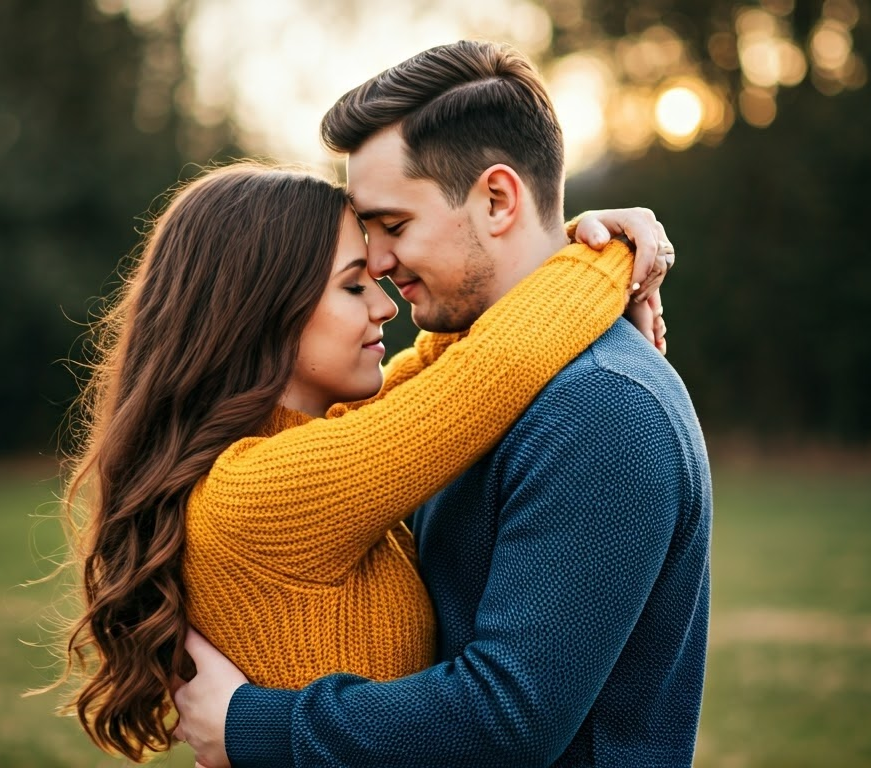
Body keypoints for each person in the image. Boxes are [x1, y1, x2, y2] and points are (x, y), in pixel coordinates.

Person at [173, 41, 712, 768]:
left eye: (394, 226)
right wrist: (598, 258)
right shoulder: (464, 384)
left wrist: (256, 726)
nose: (380, 264)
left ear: (497, 200)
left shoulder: (601, 408)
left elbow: (507, 717)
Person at [51, 159, 672, 761]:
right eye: (354, 286)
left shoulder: (314, 445)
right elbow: (497, 365)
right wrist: (612, 257)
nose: (385, 306)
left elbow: (453, 353)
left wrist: (557, 247)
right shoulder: (264, 491)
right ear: (263, 313)